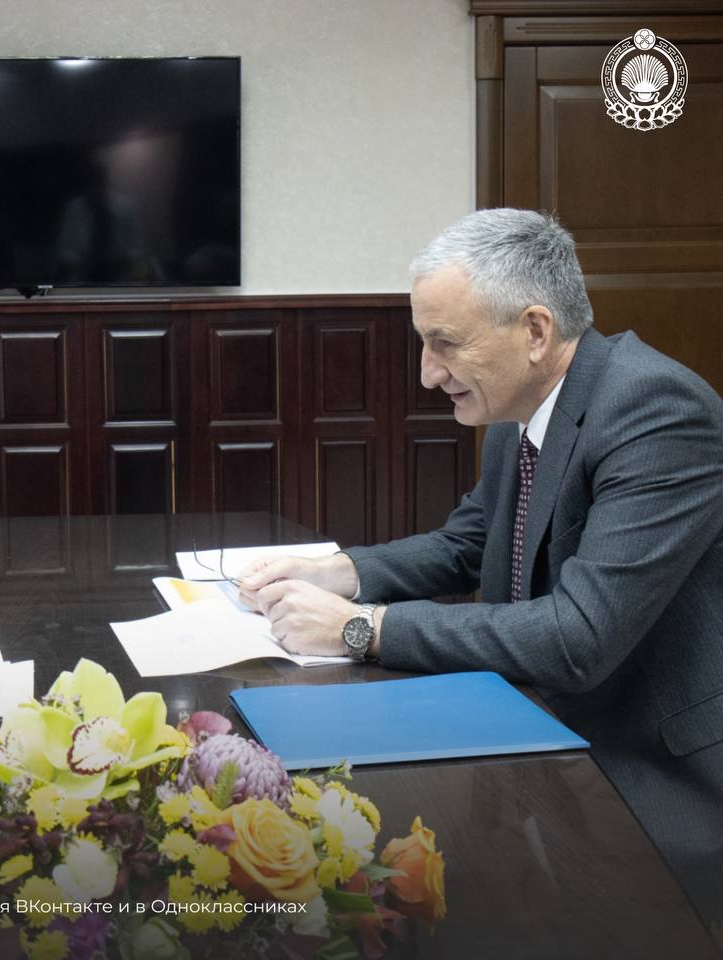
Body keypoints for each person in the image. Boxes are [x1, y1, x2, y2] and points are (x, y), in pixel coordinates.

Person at [239, 209, 723, 925]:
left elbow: (577, 638)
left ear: (534, 331)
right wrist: (336, 572)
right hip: (534, 736)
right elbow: (466, 544)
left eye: (445, 345)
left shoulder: (655, 410)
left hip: (648, 768)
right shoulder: (523, 408)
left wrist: (360, 629)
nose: (428, 375)